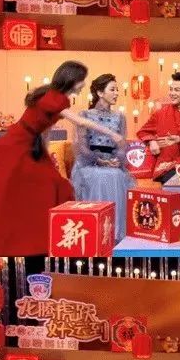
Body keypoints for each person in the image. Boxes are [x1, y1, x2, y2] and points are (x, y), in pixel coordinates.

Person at [0, 61, 124, 256]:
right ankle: (19, 244)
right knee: (18, 193)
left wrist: (45, 157)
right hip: (13, 149)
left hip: (30, 148)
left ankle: (50, 240)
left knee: (58, 185)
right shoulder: (53, 98)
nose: (83, 84)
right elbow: (81, 122)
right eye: (82, 80)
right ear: (72, 79)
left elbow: (44, 131)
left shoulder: (55, 97)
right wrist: (112, 134)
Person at [71, 73, 135, 242]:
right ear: (100, 93)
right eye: (112, 89)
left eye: (117, 90)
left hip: (112, 163)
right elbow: (81, 147)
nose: (116, 93)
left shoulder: (120, 117)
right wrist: (99, 160)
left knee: (117, 175)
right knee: (101, 176)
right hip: (89, 163)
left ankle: (114, 235)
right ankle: (95, 233)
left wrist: (117, 159)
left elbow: (122, 145)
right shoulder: (84, 115)